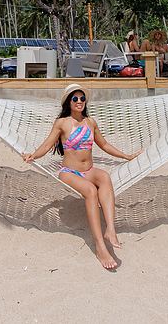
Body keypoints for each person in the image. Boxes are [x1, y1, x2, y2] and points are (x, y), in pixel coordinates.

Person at [22, 84, 139, 269]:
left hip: (89, 170)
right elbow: (46, 145)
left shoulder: (90, 122)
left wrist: (126, 156)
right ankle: (100, 246)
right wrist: (33, 156)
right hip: (69, 172)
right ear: (69, 102)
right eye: (75, 99)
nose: (79, 102)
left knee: (105, 178)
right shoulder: (62, 123)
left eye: (82, 98)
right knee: (91, 191)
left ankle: (110, 229)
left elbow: (105, 144)